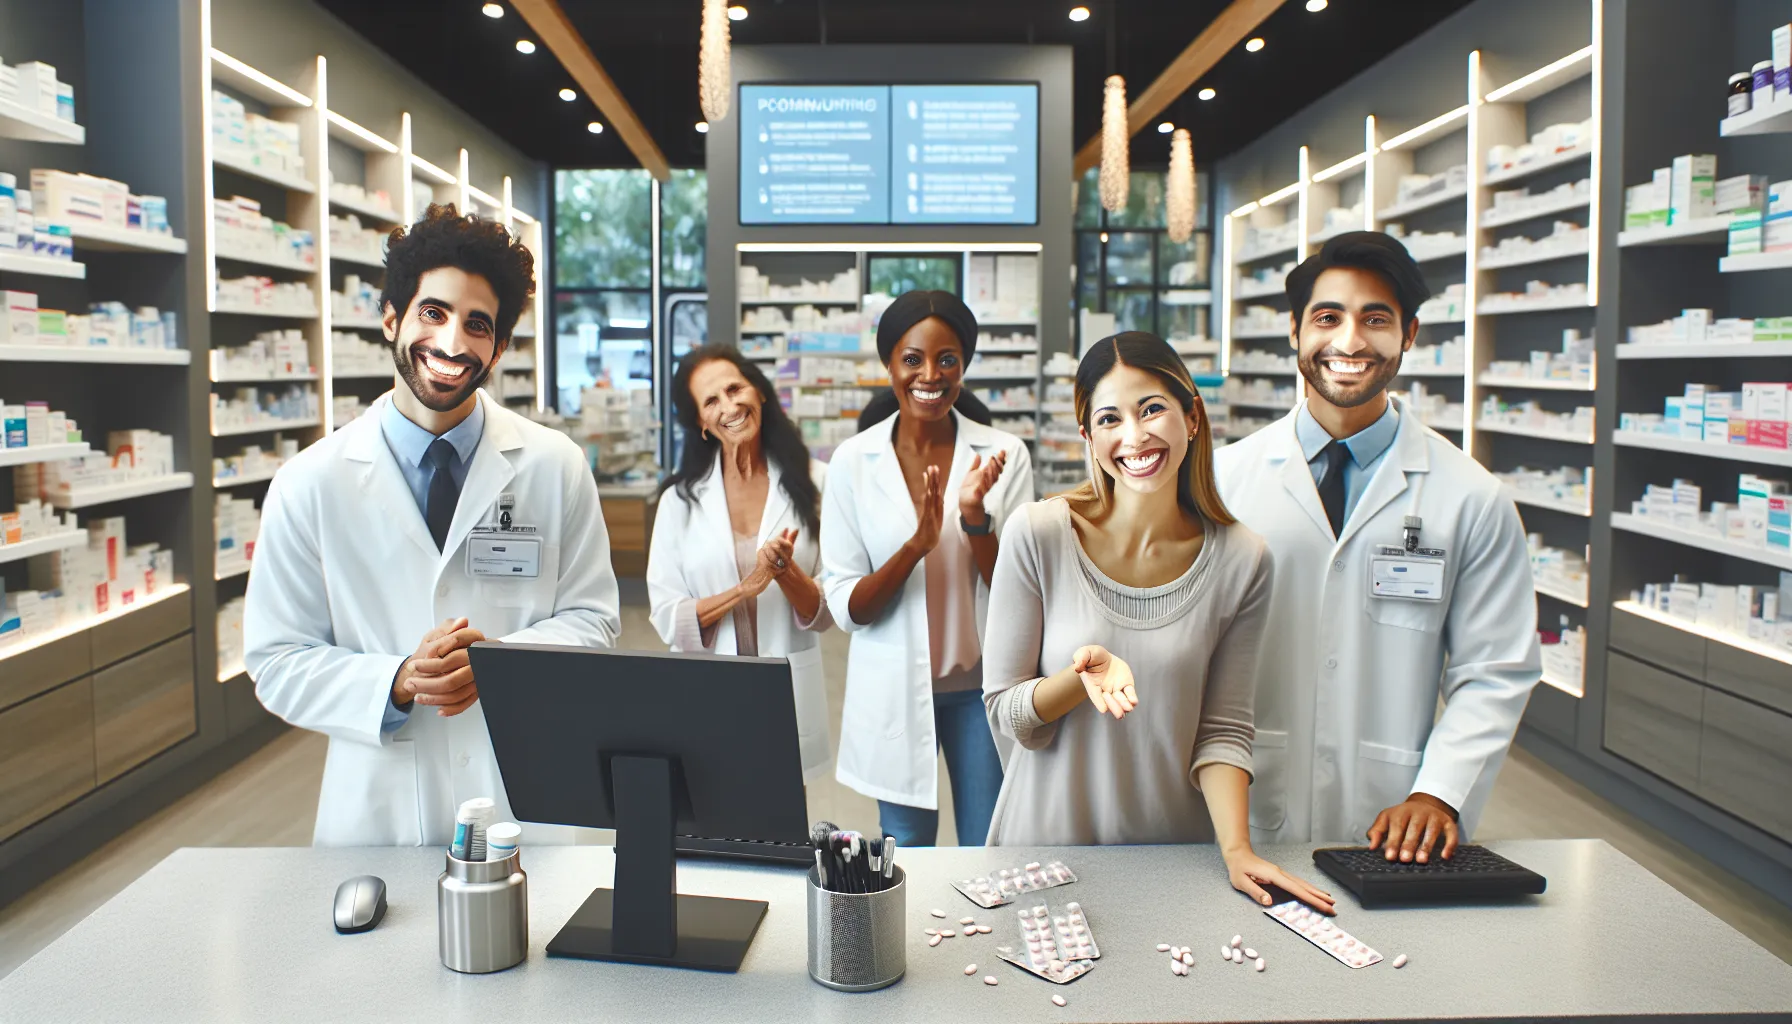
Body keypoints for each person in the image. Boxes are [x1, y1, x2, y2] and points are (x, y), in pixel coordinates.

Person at [245, 204, 622, 847]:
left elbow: (594, 620)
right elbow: (277, 661)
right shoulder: (310, 481)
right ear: (391, 318)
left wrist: (498, 666)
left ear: (499, 347)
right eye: (432, 312)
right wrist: (397, 680)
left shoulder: (555, 465)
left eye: (477, 324)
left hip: (529, 796)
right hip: (381, 808)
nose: (451, 343)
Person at [1214, 231, 1541, 864]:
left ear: (1409, 334)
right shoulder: (1223, 481)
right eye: (1327, 317)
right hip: (1238, 810)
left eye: (1375, 319)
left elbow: (1495, 669)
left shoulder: (1471, 497)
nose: (1350, 341)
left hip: (1392, 826)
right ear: (1294, 330)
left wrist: (1439, 793)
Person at [981, 332, 1334, 911]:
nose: (1134, 435)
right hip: (1043, 849)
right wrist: (1080, 679)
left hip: (1173, 858)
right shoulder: (1038, 533)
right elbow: (1005, 710)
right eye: (1110, 419)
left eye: (1151, 410)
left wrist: (1237, 849)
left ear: (1191, 417)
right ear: (1088, 438)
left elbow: (1222, 730)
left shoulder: (1243, 559)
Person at [821, 290, 1034, 847]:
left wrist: (974, 520)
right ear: (889, 363)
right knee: (907, 847)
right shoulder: (852, 462)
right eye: (913, 359)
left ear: (964, 366)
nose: (930, 375)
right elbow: (848, 608)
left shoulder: (1004, 454)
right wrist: (915, 546)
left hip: (981, 688)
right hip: (892, 687)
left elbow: (1020, 592)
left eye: (948, 360)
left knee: (987, 846)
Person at [646, 344, 833, 782]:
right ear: (700, 422)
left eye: (735, 389)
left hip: (786, 690)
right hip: (707, 692)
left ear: (760, 393)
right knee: (711, 808)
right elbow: (667, 616)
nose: (729, 407)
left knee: (783, 814)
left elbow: (829, 609)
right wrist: (744, 589)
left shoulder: (817, 483)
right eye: (711, 401)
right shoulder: (679, 501)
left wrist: (785, 573)